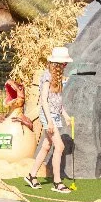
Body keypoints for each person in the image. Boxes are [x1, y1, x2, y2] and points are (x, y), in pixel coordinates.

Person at [24, 47, 74, 193]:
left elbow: (57, 101)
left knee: (46, 146)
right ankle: (57, 182)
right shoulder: (47, 76)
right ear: (57, 63)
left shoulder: (58, 78)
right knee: (59, 147)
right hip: (48, 116)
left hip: (55, 115)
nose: (65, 66)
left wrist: (65, 115)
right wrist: (49, 121)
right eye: (64, 63)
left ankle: (31, 175)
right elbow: (44, 101)